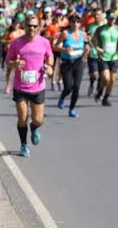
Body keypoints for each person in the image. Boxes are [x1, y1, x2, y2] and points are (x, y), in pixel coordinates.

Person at [5, 14, 54, 157]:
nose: (31, 28)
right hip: (20, 87)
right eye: (29, 25)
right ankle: (23, 144)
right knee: (22, 117)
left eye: (34, 26)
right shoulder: (16, 43)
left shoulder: (44, 42)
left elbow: (49, 56)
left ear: (38, 27)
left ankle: (34, 129)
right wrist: (14, 64)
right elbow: (8, 61)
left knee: (38, 120)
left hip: (37, 87)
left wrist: (49, 66)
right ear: (24, 26)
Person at [56, 15, 86, 117]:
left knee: (77, 87)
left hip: (78, 62)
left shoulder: (83, 34)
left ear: (80, 24)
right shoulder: (65, 33)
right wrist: (64, 49)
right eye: (73, 22)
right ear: (70, 23)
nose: (75, 24)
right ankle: (62, 97)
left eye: (78, 22)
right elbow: (56, 46)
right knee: (68, 87)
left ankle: (72, 109)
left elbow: (86, 45)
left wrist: (87, 50)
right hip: (66, 63)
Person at [94, 10, 118, 106]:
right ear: (107, 19)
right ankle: (99, 92)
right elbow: (93, 41)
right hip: (103, 57)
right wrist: (97, 48)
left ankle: (105, 98)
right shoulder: (100, 29)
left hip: (114, 57)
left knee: (112, 81)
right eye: (110, 19)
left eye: (113, 19)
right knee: (106, 79)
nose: (111, 21)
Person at [86, 8, 105, 97]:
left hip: (103, 55)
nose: (96, 16)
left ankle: (99, 89)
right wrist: (87, 42)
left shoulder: (105, 26)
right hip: (92, 53)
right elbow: (86, 38)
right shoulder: (90, 26)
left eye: (98, 14)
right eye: (95, 15)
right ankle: (92, 84)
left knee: (102, 75)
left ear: (102, 16)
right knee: (94, 74)